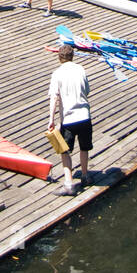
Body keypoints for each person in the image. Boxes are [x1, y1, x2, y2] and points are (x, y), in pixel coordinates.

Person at [48, 45, 93, 196]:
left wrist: (51, 119)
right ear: (73, 56)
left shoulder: (57, 74)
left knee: (65, 150)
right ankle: (85, 176)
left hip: (68, 118)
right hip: (84, 116)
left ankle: (69, 183)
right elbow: (87, 90)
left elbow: (54, 97)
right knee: (84, 147)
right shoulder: (81, 69)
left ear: (59, 57)